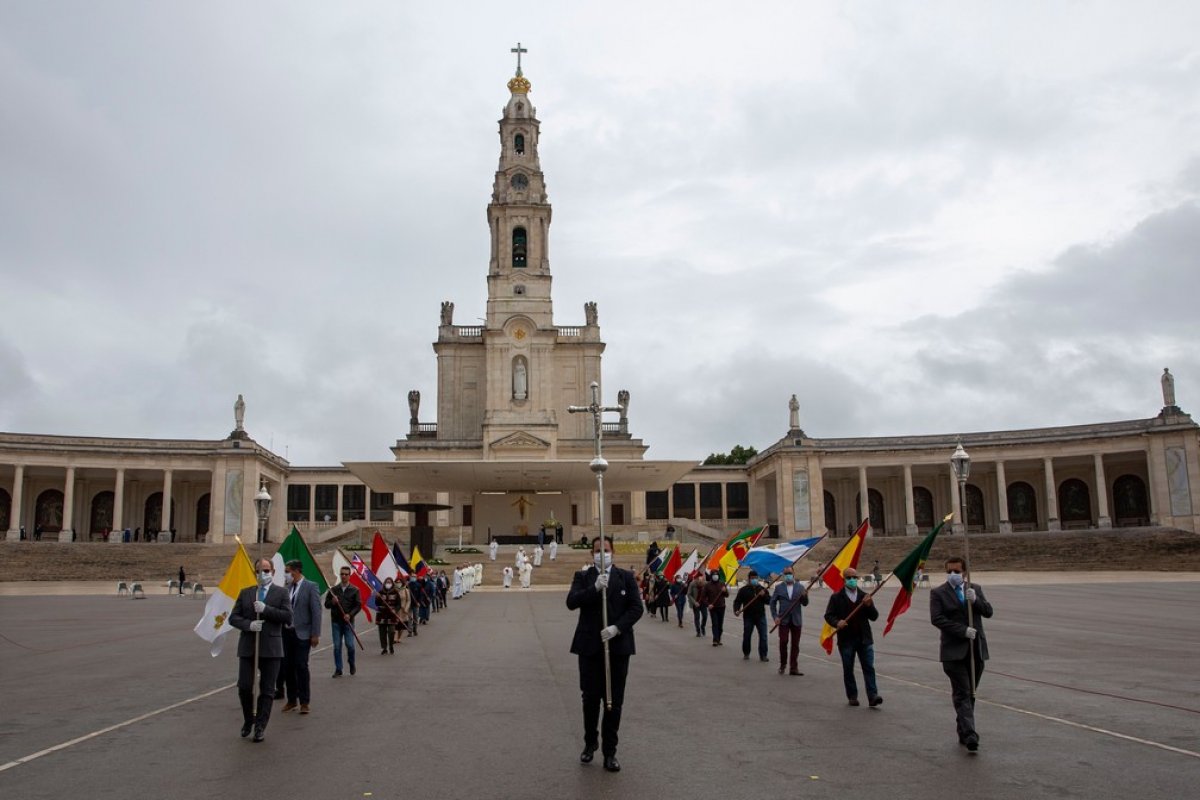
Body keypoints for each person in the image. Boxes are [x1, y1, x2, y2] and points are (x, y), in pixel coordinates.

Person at [566, 537, 644, 773]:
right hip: (590, 647)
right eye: (598, 551)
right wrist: (594, 589)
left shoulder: (626, 577)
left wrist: (616, 628)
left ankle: (610, 752)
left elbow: (636, 608)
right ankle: (590, 743)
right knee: (590, 700)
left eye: (606, 550)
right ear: (592, 554)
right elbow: (571, 602)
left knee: (613, 702)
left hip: (617, 648)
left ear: (613, 552)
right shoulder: (583, 577)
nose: (602, 554)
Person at [930, 557, 994, 752]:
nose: (953, 575)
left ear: (964, 572)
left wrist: (976, 601)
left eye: (957, 572)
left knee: (970, 693)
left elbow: (989, 612)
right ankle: (970, 734)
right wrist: (962, 630)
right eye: (949, 571)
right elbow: (937, 619)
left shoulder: (974, 588)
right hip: (953, 652)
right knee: (963, 692)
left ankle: (963, 729)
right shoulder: (938, 593)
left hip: (976, 650)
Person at [229, 558, 292, 742]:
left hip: (271, 647)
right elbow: (233, 618)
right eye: (259, 571)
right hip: (249, 646)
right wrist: (249, 624)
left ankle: (260, 726)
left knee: (267, 690)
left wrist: (266, 609)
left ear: (272, 572)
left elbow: (287, 617)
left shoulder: (281, 593)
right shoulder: (246, 593)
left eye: (266, 570)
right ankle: (249, 719)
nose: (262, 574)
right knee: (245, 686)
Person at [823, 567, 881, 707]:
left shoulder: (864, 596)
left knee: (868, 667)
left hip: (864, 639)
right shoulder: (836, 597)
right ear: (844, 580)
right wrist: (837, 622)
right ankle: (852, 696)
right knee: (848, 668)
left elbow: (874, 617)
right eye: (849, 578)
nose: (852, 580)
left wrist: (869, 605)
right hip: (846, 640)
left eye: (854, 577)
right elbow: (829, 615)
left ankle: (873, 696)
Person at [280, 560, 321, 714]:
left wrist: (315, 634)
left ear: (296, 571)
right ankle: (291, 700)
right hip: (286, 633)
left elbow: (316, 612)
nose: (286, 574)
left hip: (303, 634)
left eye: (287, 571)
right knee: (287, 667)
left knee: (301, 666)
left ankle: (304, 701)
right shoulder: (286, 588)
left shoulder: (311, 586)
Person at [769, 566, 808, 675]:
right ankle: (783, 664)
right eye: (786, 574)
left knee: (795, 644)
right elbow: (772, 603)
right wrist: (775, 616)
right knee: (783, 642)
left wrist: (805, 596)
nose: (788, 575)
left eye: (790, 573)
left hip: (796, 620)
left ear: (793, 573)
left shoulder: (800, 587)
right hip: (783, 620)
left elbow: (805, 603)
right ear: (783, 575)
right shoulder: (779, 588)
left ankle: (793, 668)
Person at [324, 566, 361, 677]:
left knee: (350, 645)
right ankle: (338, 668)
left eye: (346, 574)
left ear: (349, 576)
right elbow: (326, 604)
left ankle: (351, 662)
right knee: (337, 646)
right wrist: (333, 602)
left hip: (348, 623)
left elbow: (358, 605)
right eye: (342, 574)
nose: (344, 576)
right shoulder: (333, 590)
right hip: (336, 622)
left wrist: (350, 614)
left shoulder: (355, 590)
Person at [733, 570, 770, 662]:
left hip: (760, 616)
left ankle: (763, 655)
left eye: (755, 578)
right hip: (748, 616)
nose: (754, 580)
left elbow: (769, 601)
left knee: (763, 636)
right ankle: (746, 653)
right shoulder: (743, 590)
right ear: (749, 579)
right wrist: (736, 610)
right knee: (747, 635)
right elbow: (737, 601)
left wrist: (763, 595)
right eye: (752, 578)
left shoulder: (762, 589)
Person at [375, 576, 404, 655]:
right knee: (382, 633)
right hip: (382, 615)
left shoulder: (395, 592)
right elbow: (377, 604)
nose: (388, 584)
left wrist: (395, 610)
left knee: (391, 632)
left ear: (392, 583)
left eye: (389, 582)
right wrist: (377, 597)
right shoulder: (380, 592)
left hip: (391, 615)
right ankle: (384, 648)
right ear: (384, 583)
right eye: (387, 582)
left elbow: (399, 604)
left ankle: (391, 645)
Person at [699, 570, 729, 646]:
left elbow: (727, 595)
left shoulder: (722, 584)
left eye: (716, 575)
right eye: (713, 575)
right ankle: (715, 640)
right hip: (713, 608)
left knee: (720, 625)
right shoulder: (707, 585)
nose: (715, 576)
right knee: (715, 624)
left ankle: (718, 638)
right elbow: (703, 597)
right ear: (711, 576)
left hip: (721, 607)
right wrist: (708, 604)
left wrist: (725, 591)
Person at [686, 572, 708, 637]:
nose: (701, 584)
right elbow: (689, 594)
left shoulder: (706, 584)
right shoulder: (692, 584)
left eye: (702, 582)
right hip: (695, 603)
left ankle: (702, 626)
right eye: (699, 582)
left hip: (703, 603)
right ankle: (698, 631)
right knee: (697, 617)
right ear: (697, 580)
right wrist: (694, 602)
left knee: (705, 616)